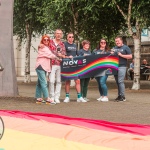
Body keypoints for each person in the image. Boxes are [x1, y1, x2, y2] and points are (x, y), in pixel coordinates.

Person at [35, 35, 59, 105]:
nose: (46, 41)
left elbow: (51, 54)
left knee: (39, 83)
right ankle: (47, 98)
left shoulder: (46, 47)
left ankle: (38, 97)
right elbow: (50, 55)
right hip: (40, 66)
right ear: (42, 41)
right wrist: (58, 58)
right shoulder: (43, 47)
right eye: (44, 40)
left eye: (47, 40)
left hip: (44, 67)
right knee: (44, 83)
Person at [63, 32, 87, 103]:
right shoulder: (64, 44)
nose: (71, 38)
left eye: (72, 37)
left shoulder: (74, 45)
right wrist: (67, 57)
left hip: (74, 65)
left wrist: (83, 55)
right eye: (69, 37)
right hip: (67, 65)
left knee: (77, 81)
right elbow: (62, 54)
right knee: (67, 81)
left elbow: (77, 54)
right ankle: (67, 97)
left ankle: (79, 97)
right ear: (67, 38)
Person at [49, 29, 66, 103]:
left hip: (59, 64)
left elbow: (64, 56)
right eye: (57, 33)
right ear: (55, 34)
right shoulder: (50, 42)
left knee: (59, 81)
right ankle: (51, 96)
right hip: (51, 64)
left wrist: (61, 55)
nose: (58, 35)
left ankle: (57, 97)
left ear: (61, 35)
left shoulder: (62, 44)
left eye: (60, 34)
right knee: (51, 81)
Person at [113, 36, 132, 102]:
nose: (117, 42)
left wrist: (121, 55)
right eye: (116, 41)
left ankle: (123, 96)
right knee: (117, 82)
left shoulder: (126, 47)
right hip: (115, 66)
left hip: (122, 66)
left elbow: (130, 56)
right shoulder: (114, 48)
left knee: (120, 81)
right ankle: (119, 95)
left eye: (118, 41)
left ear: (121, 41)